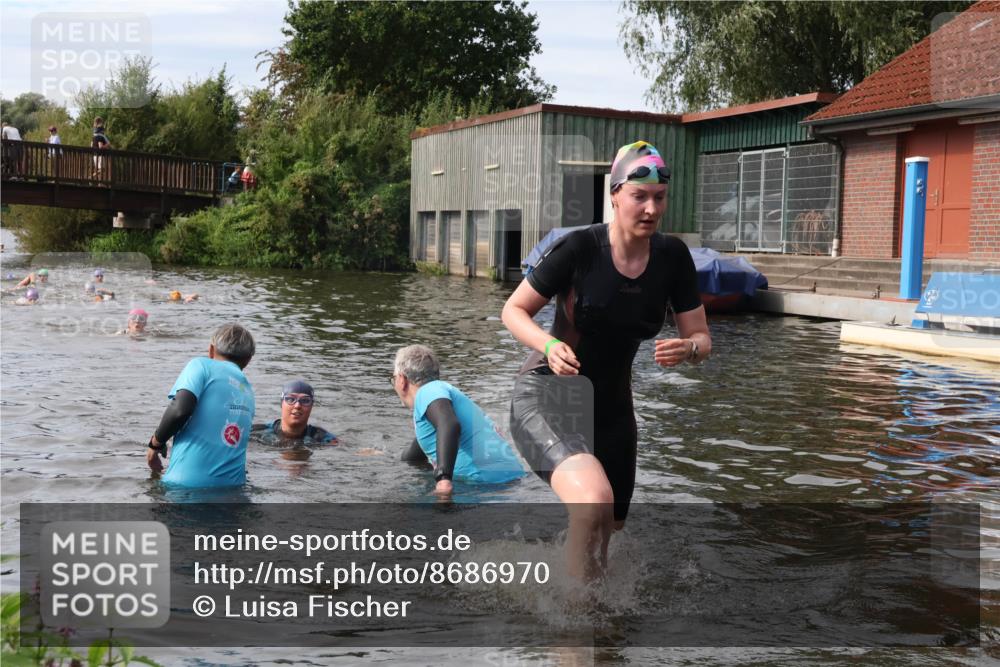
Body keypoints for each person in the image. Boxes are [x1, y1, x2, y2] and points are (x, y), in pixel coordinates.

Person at [501, 140, 712, 580]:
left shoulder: (672, 258)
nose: (651, 208)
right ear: (615, 195)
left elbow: (701, 337)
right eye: (639, 196)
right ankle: (575, 630)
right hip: (549, 394)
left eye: (660, 197)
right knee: (592, 501)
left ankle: (601, 630)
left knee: (610, 525)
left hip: (613, 409)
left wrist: (688, 348)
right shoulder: (579, 249)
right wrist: (547, 344)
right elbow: (513, 310)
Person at [392, 345, 525, 497]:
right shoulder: (440, 397)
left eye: (393, 379)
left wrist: (443, 479)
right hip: (513, 482)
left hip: (483, 486)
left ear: (402, 380)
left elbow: (449, 425)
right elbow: (415, 454)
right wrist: (383, 454)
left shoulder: (427, 391)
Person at [146, 323, 256, 487]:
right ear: (248, 360)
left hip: (185, 488)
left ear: (211, 350)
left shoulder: (201, 365)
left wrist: (155, 444)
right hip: (233, 490)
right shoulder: (248, 390)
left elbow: (180, 409)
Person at [252, 380, 337, 444]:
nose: (297, 405)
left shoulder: (323, 438)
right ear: (281, 404)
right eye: (290, 399)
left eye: (305, 400)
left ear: (311, 406)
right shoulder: (257, 432)